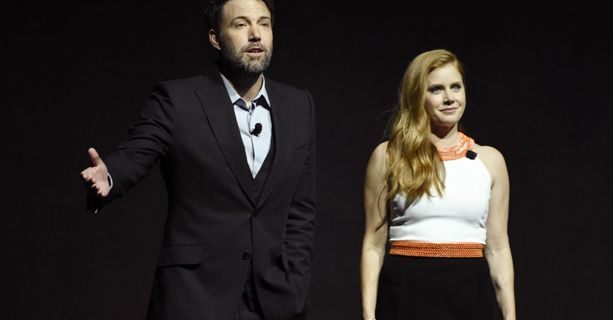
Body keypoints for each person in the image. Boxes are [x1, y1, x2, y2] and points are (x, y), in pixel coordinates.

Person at [80, 1, 316, 319]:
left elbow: (300, 210)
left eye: (264, 23)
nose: (256, 35)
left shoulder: (299, 106)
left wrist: (295, 285)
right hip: (195, 297)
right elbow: (136, 153)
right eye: (241, 24)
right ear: (215, 38)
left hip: (273, 302)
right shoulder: (178, 100)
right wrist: (110, 177)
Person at [360, 49, 515, 320]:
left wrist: (510, 316)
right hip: (405, 296)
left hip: (470, 297)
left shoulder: (489, 161)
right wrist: (368, 315)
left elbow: (498, 248)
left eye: (456, 87)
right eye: (436, 89)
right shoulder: (388, 156)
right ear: (417, 95)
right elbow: (373, 245)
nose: (449, 98)